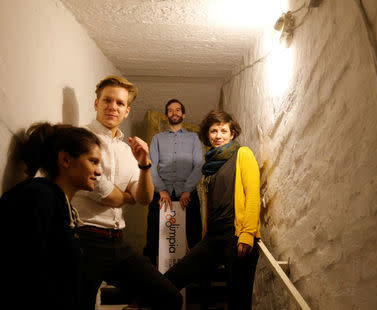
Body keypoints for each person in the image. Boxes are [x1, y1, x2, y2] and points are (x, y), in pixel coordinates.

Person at [71, 75, 182, 310]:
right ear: (96, 104)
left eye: (120, 103)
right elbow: (101, 190)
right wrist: (125, 198)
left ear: (127, 111)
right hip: (85, 240)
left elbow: (144, 198)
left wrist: (144, 164)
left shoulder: (126, 148)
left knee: (169, 297)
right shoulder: (80, 139)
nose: (113, 107)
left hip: (117, 241)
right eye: (107, 100)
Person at [164, 110, 261, 310]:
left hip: (237, 236)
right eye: (213, 131)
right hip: (213, 237)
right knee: (171, 279)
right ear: (208, 135)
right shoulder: (210, 166)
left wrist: (248, 234)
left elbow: (253, 195)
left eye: (223, 131)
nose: (218, 136)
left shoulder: (243, 154)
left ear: (232, 133)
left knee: (239, 302)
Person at [0, 122, 102, 310]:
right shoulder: (39, 197)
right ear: (65, 159)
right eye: (93, 161)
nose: (99, 171)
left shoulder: (60, 203)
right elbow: (28, 275)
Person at [144, 98, 203, 266]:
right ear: (166, 115)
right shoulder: (157, 139)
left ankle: (199, 281)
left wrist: (187, 190)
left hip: (188, 193)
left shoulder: (194, 138)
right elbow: (151, 166)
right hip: (162, 194)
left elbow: (198, 165)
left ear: (183, 114)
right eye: (170, 110)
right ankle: (151, 276)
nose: (174, 112)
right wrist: (161, 190)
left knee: (195, 238)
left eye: (178, 110)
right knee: (153, 236)